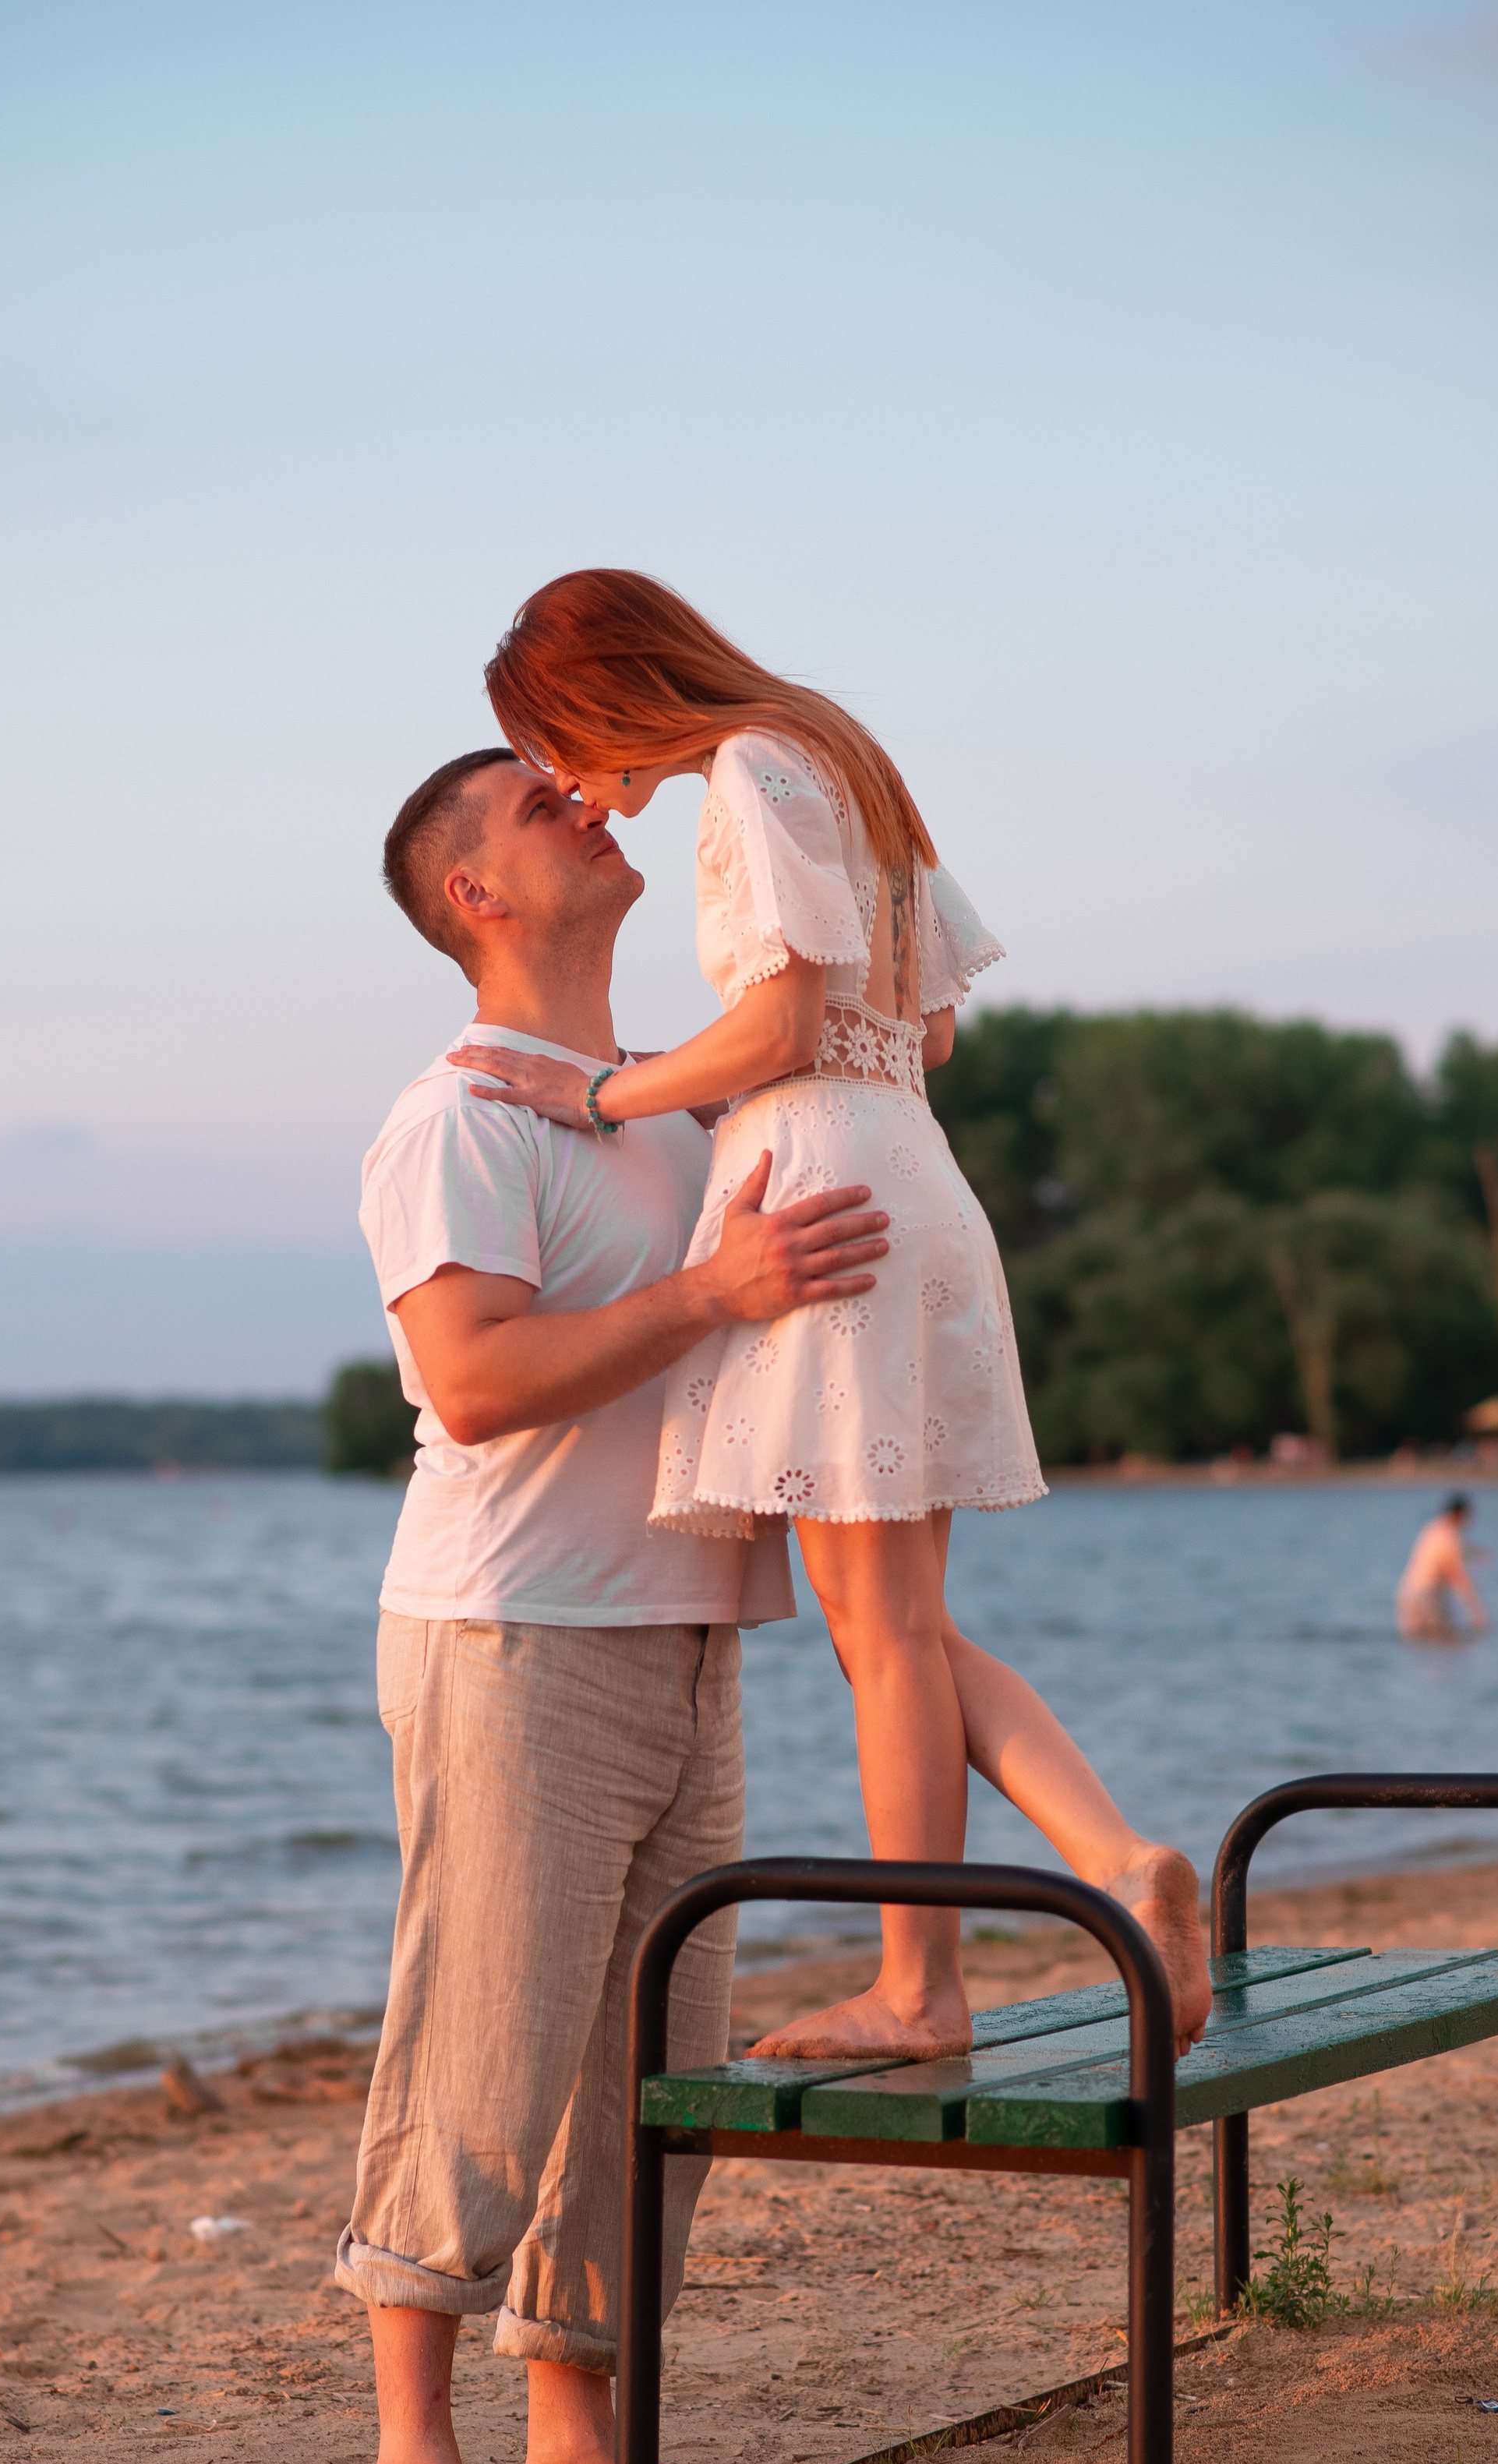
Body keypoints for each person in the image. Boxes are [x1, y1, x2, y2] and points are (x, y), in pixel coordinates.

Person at [451, 568, 1214, 2062]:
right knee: (899, 1626)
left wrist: (602, 1087)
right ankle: (1115, 1862)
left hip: (823, 1189)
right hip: (908, 1163)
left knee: (879, 1626)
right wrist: (729, 1061)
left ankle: (921, 1987)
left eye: (550, 741)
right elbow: (922, 1021)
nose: (564, 782)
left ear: (607, 694)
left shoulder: (744, 771)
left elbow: (787, 1024)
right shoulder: (839, 752)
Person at [338, 745, 892, 2464]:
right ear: (472, 897)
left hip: (680, 1638)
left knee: (650, 2060)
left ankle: (574, 2436)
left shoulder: (654, 1101)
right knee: (484, 2044)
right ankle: (411, 2451)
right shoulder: (455, 1123)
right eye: (529, 802)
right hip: (509, 1637)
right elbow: (475, 1381)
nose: (579, 798)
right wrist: (711, 1295)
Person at [1396, 1495, 1489, 1640]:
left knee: (1418, 1642)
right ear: (1459, 1514)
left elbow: (1450, 1552)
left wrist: (1475, 1553)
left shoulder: (1435, 1528)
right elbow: (1456, 1574)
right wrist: (1476, 1611)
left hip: (1409, 1594)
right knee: (1445, 1642)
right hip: (1427, 1597)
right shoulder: (1448, 1537)